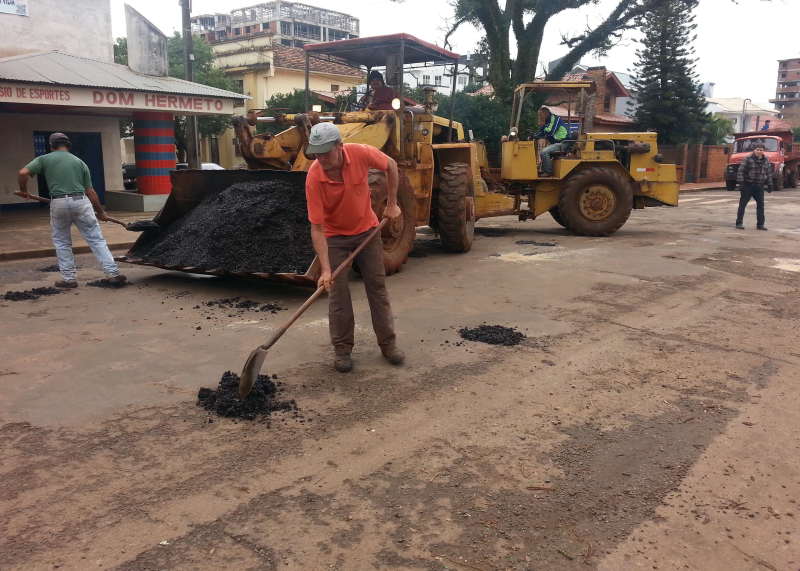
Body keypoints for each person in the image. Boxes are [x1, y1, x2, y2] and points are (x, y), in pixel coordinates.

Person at [305, 122, 405, 372]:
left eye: (326, 152)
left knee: (377, 288)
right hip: (334, 236)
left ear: (340, 146)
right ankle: (342, 349)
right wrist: (326, 269)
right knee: (337, 294)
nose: (321, 158)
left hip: (367, 232)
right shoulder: (314, 177)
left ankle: (388, 344)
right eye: (316, 152)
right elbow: (316, 228)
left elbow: (391, 165)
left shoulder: (360, 152)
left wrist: (391, 203)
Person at [16, 133, 126, 287]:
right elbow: (91, 192)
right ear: (68, 145)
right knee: (96, 239)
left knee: (62, 243)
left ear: (51, 146)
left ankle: (69, 279)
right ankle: (112, 273)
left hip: (58, 203)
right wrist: (101, 212)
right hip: (81, 201)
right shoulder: (80, 162)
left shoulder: (44, 159)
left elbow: (22, 173)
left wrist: (24, 190)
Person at [735, 141, 770, 231]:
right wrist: (741, 183)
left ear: (764, 151)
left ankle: (760, 224)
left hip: (759, 186)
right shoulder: (748, 159)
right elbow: (741, 171)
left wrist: (770, 184)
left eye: (761, 150)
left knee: (761, 205)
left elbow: (768, 173)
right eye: (757, 150)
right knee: (743, 204)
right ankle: (739, 223)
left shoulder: (766, 160)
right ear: (754, 150)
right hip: (748, 185)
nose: (759, 152)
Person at [532, 107, 570, 176]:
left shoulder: (555, 119)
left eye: (541, 115)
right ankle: (543, 170)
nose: (540, 117)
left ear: (546, 114)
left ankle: (548, 172)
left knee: (544, 152)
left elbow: (550, 132)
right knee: (544, 152)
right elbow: (542, 133)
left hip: (563, 143)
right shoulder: (547, 121)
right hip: (557, 143)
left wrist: (543, 126)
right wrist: (533, 136)